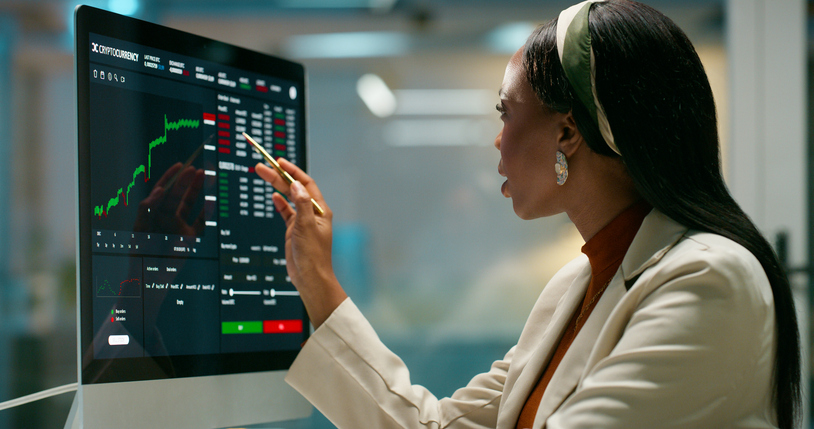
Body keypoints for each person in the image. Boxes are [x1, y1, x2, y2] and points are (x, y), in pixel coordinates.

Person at [255, 0, 801, 427]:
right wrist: (317, 282)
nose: (498, 140)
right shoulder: (575, 287)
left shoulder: (709, 279)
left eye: (506, 113)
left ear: (567, 132)